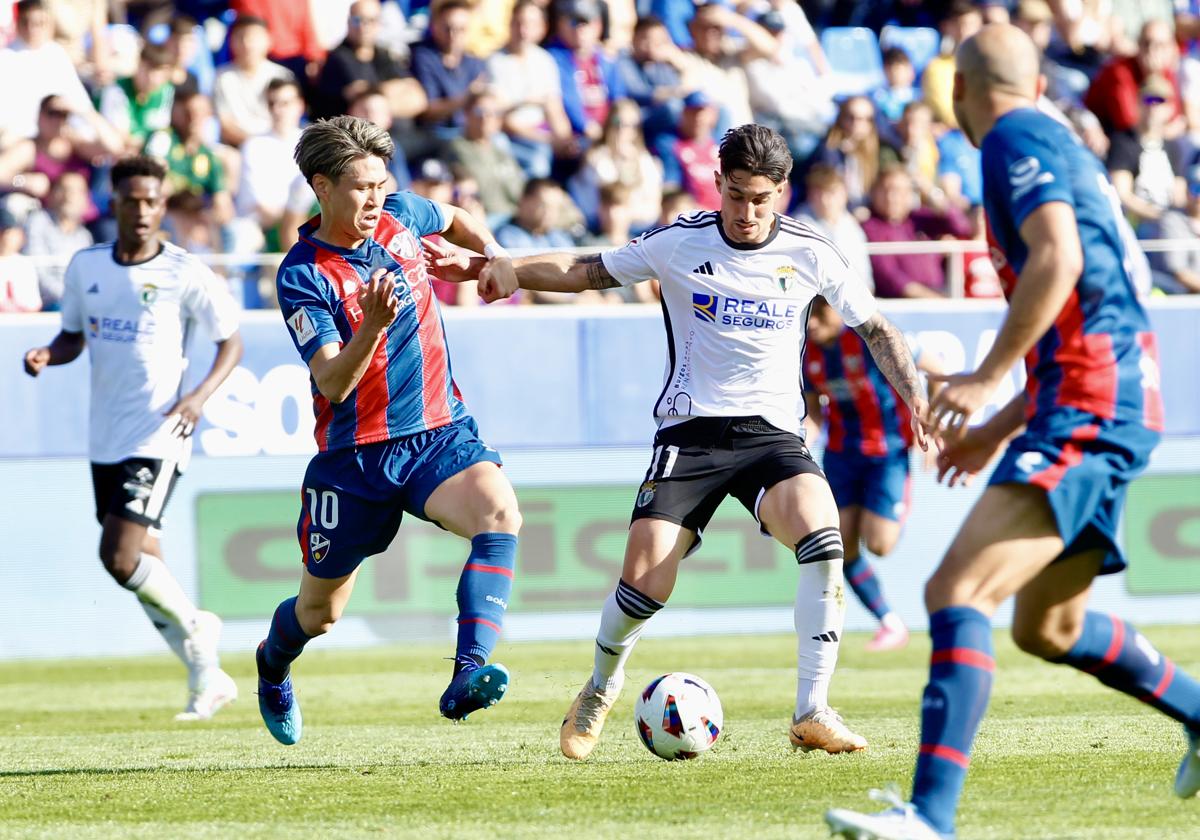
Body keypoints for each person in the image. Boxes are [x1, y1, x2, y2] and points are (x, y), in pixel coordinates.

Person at [826, 25, 1200, 840]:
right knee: (1046, 626)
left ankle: (931, 817)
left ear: (960, 91)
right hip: (1105, 395)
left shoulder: (1013, 136)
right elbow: (1079, 303)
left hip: (1094, 401)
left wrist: (992, 376)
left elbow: (1057, 262)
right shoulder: (1059, 143)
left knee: (954, 592)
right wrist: (996, 427)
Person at [454, 124, 929, 760]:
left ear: (782, 193)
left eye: (762, 198)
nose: (749, 212)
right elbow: (591, 267)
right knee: (647, 579)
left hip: (772, 436)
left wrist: (914, 394)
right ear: (719, 185)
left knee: (823, 537)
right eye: (737, 195)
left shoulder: (814, 251)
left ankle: (812, 709)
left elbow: (877, 328)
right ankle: (600, 688)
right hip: (692, 432)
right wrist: (510, 271)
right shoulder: (680, 243)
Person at [256, 115, 523, 746]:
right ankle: (272, 665)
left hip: (438, 433)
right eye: (359, 187)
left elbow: (456, 217)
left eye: (381, 183)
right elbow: (330, 384)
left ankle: (467, 674)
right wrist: (372, 325)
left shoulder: (402, 214)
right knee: (320, 615)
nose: (375, 198)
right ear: (321, 187)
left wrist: (493, 257)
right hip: (355, 460)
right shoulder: (304, 274)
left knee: (499, 514)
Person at [21, 155, 243, 720]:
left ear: (162, 205)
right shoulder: (85, 267)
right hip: (106, 437)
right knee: (147, 565)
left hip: (161, 432)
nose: (142, 210)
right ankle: (207, 674)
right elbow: (73, 335)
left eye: (152, 200)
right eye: (131, 199)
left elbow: (231, 341)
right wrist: (51, 353)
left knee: (119, 558)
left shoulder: (184, 271)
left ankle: (199, 628)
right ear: (114, 203)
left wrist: (197, 397)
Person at [804, 297, 943, 652]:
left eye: (820, 313)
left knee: (880, 544)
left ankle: (888, 505)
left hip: (887, 454)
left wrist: (936, 424)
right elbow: (814, 411)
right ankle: (889, 622)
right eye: (808, 316)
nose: (813, 323)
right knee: (838, 545)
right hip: (840, 455)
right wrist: (799, 440)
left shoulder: (872, 338)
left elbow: (935, 366)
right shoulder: (807, 355)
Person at [862, 165, 971, 299]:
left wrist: (931, 192)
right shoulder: (870, 227)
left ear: (909, 194)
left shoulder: (919, 218)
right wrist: (935, 300)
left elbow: (961, 227)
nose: (891, 197)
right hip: (902, 305)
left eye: (898, 191)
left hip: (938, 294)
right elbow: (889, 276)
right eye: (885, 190)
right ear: (874, 192)